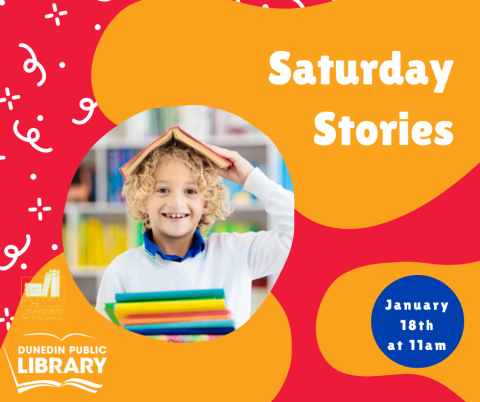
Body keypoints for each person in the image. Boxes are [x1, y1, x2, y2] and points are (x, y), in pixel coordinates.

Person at [95, 138, 294, 328]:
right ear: (142, 200)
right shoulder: (122, 270)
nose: (176, 202)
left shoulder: (237, 252)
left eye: (190, 191)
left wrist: (251, 178)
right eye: (163, 190)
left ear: (206, 202)